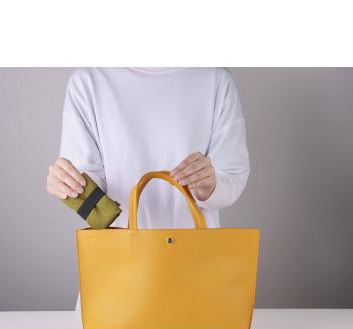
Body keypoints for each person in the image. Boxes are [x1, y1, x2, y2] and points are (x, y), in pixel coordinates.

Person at [46, 67, 250, 310]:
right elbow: (89, 184)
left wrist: (210, 184)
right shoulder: (88, 81)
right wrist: (71, 186)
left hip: (195, 276)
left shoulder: (215, 79)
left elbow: (233, 174)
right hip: (118, 279)